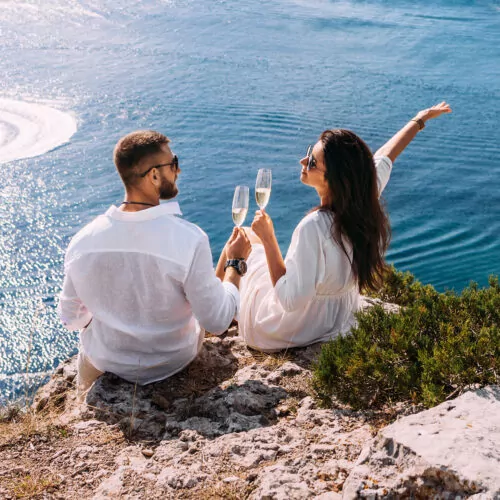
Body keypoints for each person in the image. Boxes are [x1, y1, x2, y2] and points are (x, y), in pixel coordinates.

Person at [232, 102, 452, 352]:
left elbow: (290, 300)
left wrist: (270, 240)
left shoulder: (313, 227)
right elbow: (386, 156)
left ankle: (217, 316)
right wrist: (420, 119)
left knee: (244, 242)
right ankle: (220, 309)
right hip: (336, 319)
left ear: (333, 179)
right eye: (308, 153)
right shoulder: (363, 199)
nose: (303, 160)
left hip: (289, 329)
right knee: (248, 240)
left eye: (312, 162)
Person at [58, 130, 251, 396]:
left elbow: (71, 319)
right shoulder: (189, 238)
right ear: (154, 175)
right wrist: (235, 262)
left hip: (105, 364)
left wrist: (114, 317)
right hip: (172, 363)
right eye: (174, 164)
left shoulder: (82, 241)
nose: (178, 170)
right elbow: (217, 321)